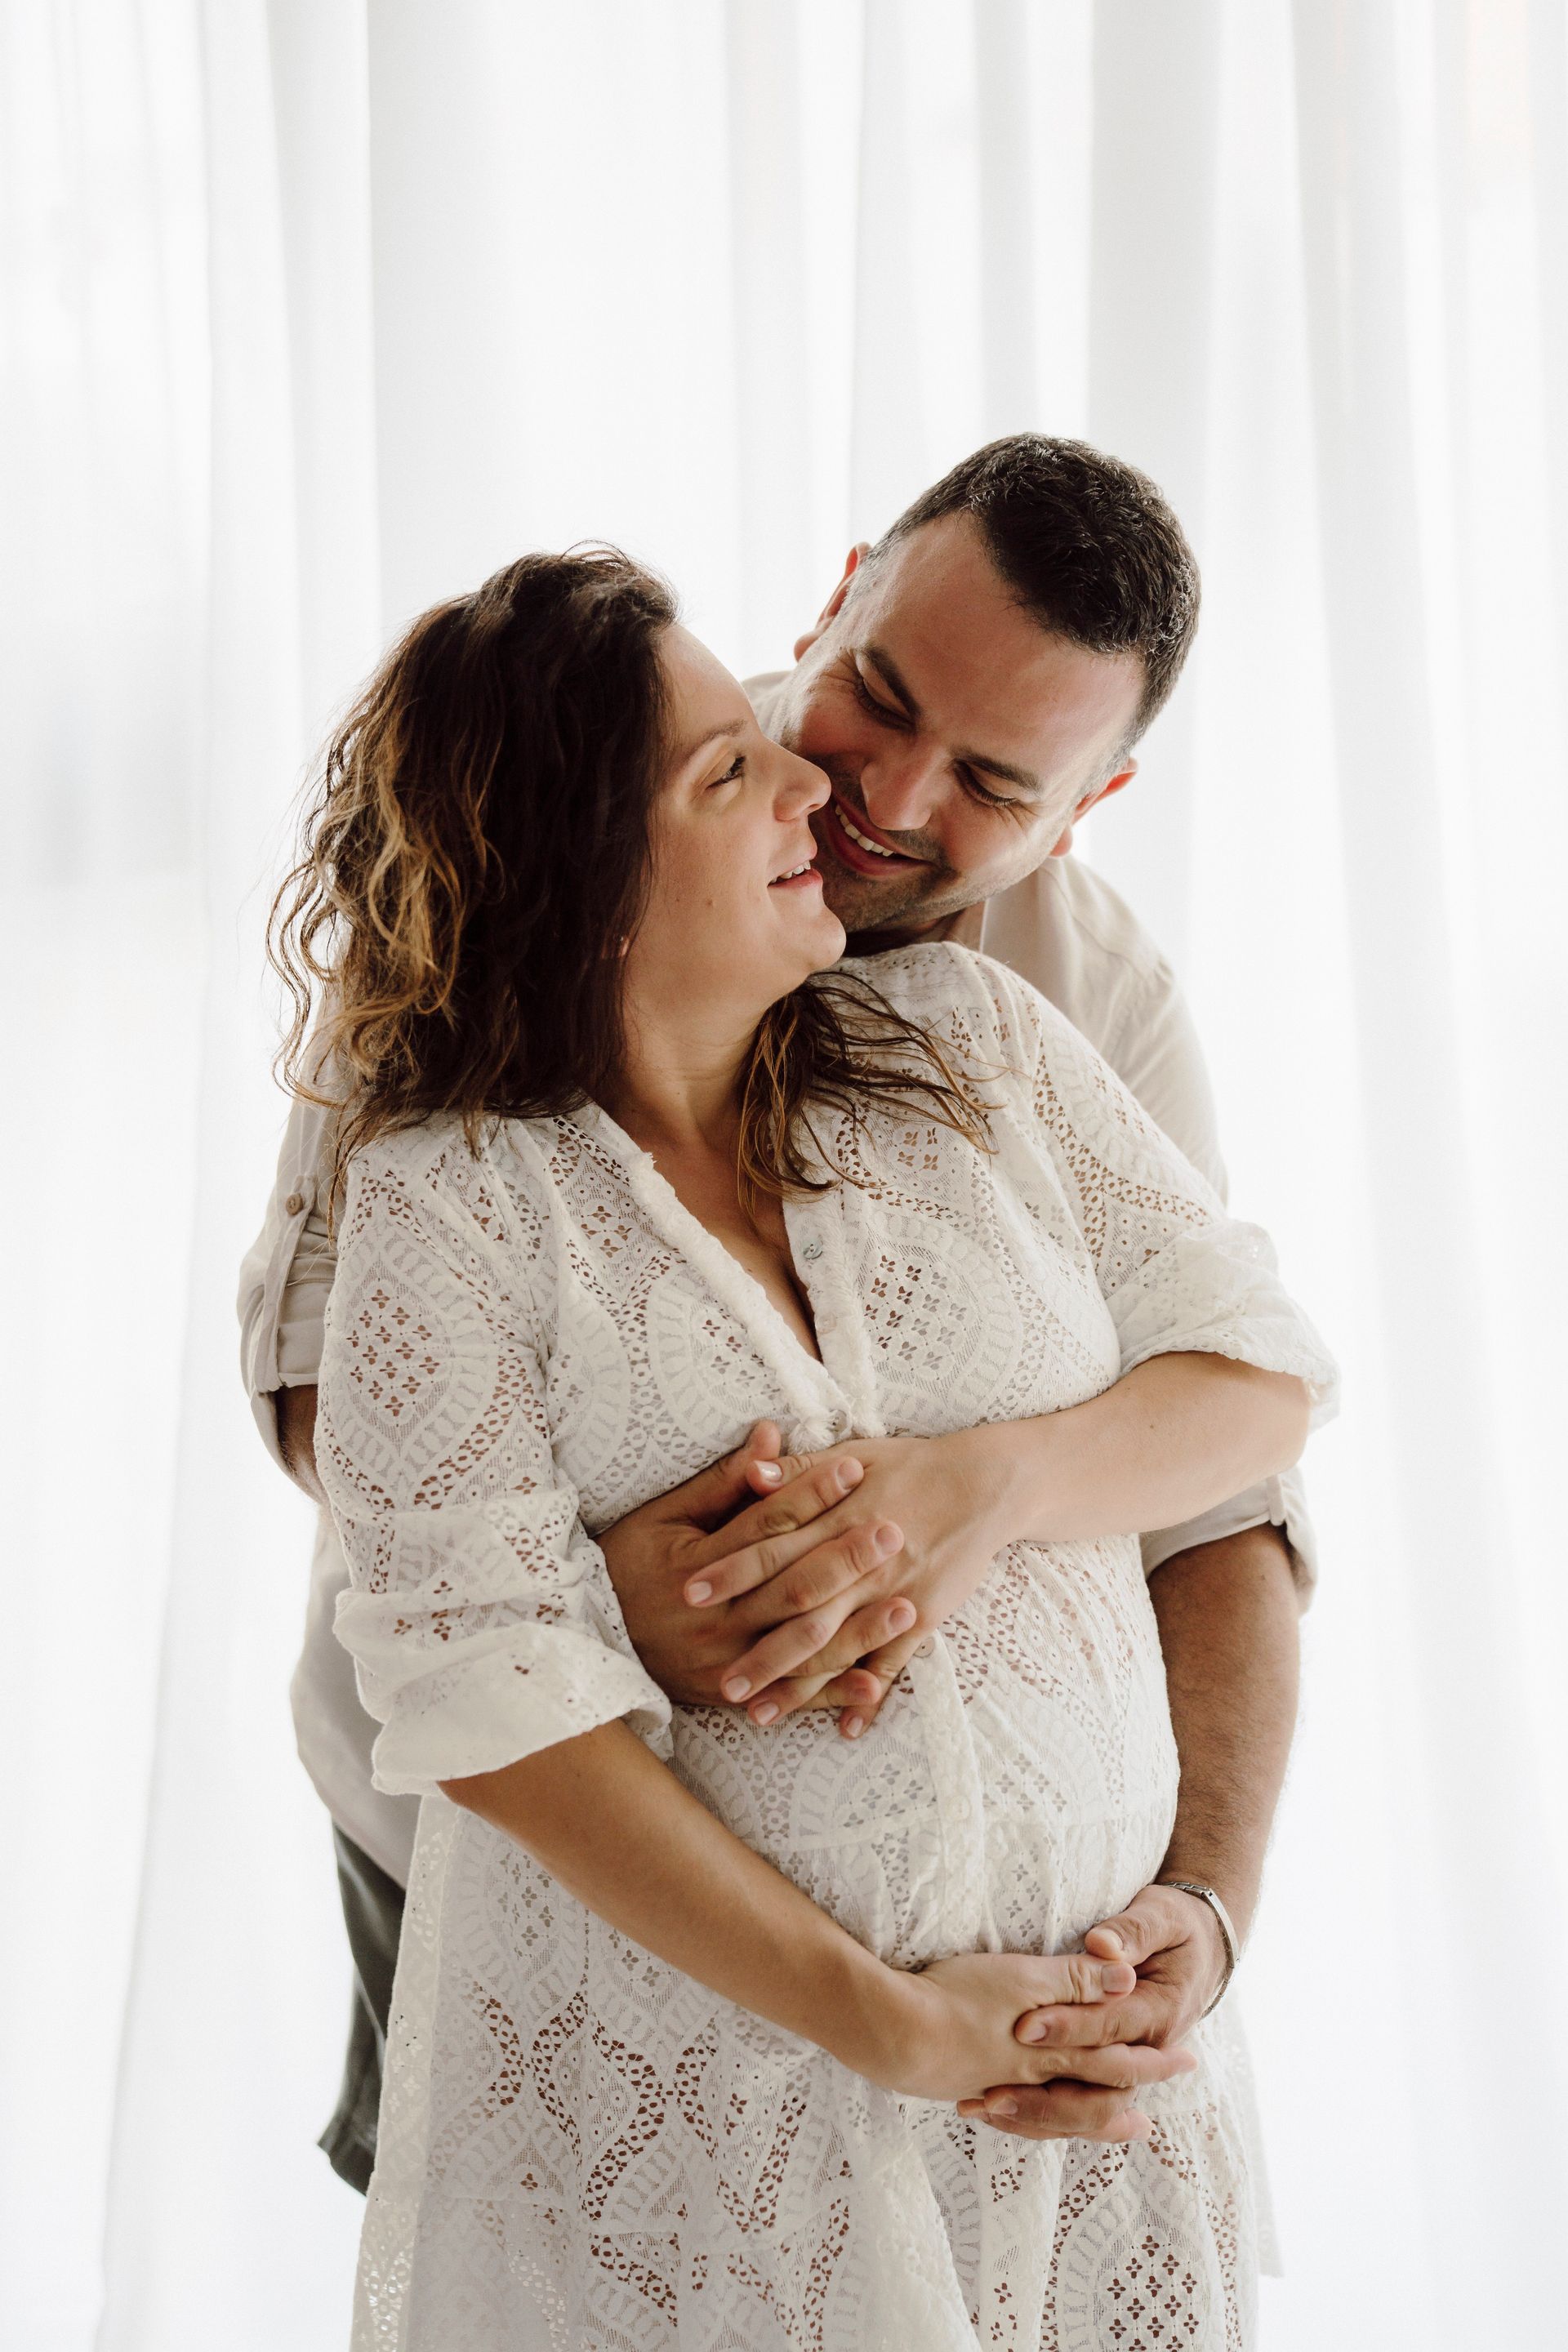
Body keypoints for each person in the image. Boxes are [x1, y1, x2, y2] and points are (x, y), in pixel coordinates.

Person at [270, 540, 1334, 2347]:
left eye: (995, 783)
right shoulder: (451, 1156)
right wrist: (595, 1610)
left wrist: (1198, 1909)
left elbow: (1245, 1423)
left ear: (1090, 801)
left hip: (1062, 2089)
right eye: (875, 706)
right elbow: (367, 1456)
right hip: (635, 2026)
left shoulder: (1013, 1018)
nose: (859, 796)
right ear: (842, 597)